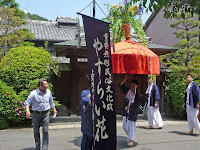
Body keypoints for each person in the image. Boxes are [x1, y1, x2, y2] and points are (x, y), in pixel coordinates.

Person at [24, 79, 57, 150]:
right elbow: (27, 102)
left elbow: (51, 101)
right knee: (36, 130)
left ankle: (45, 147)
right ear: (40, 85)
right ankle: (37, 146)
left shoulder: (48, 92)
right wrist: (27, 111)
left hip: (46, 113)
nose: (47, 86)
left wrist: (54, 108)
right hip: (36, 114)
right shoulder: (33, 93)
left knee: (45, 130)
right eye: (45, 85)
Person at [119, 75, 141, 147]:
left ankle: (131, 140)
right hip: (125, 111)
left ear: (137, 86)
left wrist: (130, 108)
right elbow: (121, 86)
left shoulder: (138, 96)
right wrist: (125, 79)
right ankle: (131, 136)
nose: (132, 85)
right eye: (132, 84)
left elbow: (137, 105)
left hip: (132, 112)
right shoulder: (127, 90)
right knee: (124, 126)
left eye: (134, 84)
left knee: (131, 126)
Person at [80, 82, 93, 150]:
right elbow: (85, 100)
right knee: (87, 138)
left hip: (94, 121)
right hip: (87, 120)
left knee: (92, 140)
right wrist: (89, 102)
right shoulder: (85, 92)